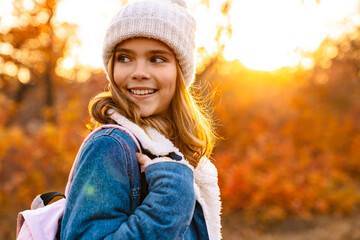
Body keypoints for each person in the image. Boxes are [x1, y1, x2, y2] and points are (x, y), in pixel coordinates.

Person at [60, 0, 221, 239]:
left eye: (156, 58)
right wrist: (172, 198)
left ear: (180, 71)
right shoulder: (110, 145)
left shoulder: (169, 149)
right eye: (125, 58)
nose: (139, 72)